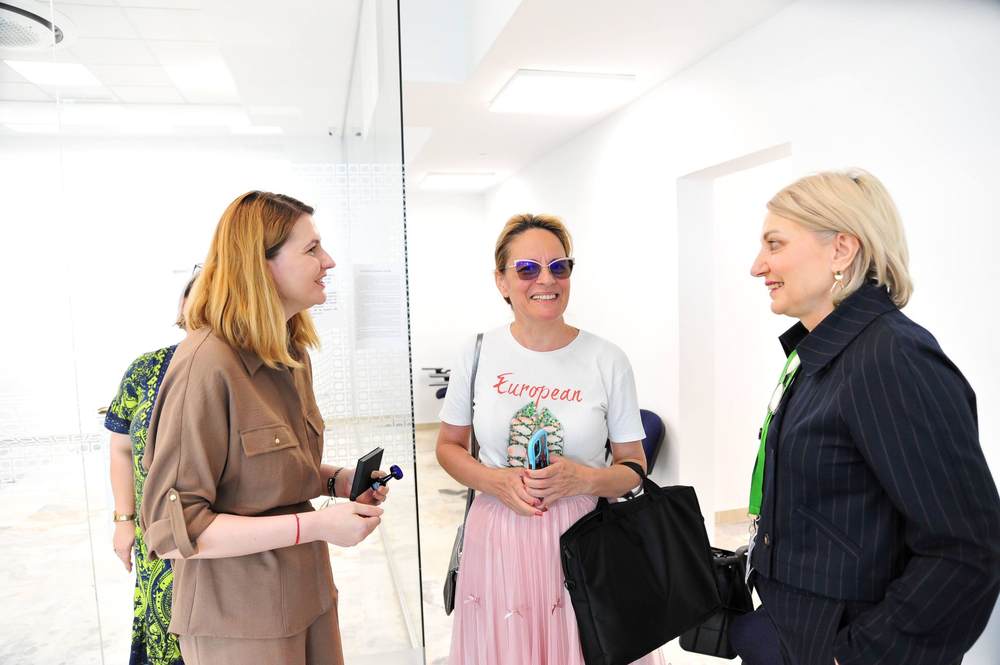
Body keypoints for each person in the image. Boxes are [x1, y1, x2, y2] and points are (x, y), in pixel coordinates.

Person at [730, 169, 1000, 665]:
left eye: (775, 244)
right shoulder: (823, 355)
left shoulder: (891, 358)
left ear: (841, 250)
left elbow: (966, 551)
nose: (757, 266)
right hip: (793, 631)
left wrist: (859, 655)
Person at [140, 191, 388, 665]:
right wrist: (316, 524)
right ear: (260, 264)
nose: (329, 261)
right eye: (312, 249)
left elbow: (268, 475)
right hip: (241, 623)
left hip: (309, 596)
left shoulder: (290, 354)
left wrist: (336, 482)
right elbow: (174, 531)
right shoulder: (205, 365)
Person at [437, 213, 664, 665]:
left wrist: (583, 479)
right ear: (501, 281)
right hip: (497, 537)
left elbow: (634, 466)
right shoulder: (477, 352)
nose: (546, 279)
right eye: (527, 269)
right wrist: (494, 481)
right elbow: (448, 447)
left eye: (559, 267)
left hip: (585, 539)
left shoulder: (606, 359)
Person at [106, 273, 198, 665]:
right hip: (157, 542)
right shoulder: (146, 369)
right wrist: (123, 521)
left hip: (224, 541)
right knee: (165, 638)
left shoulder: (246, 372)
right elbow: (121, 448)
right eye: (196, 295)